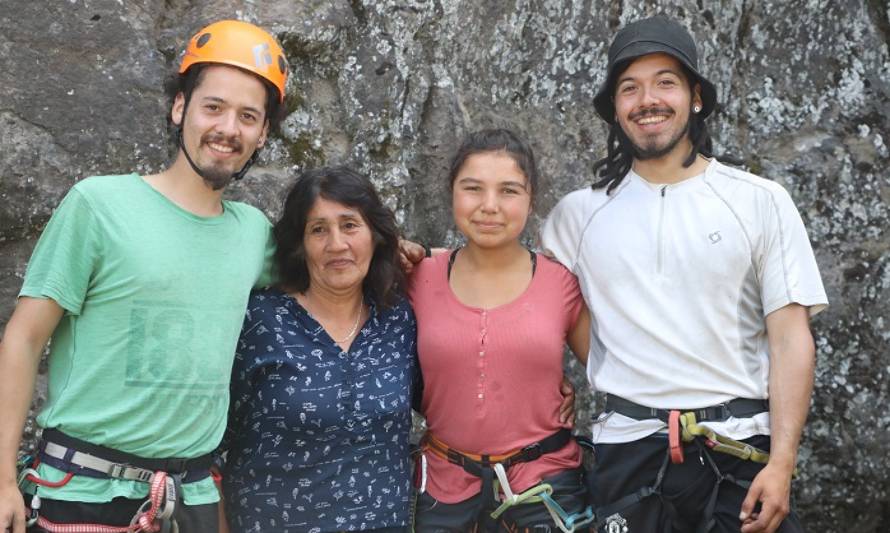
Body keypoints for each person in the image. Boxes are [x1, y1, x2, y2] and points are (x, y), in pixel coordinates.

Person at [540, 15, 828, 533]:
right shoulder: (575, 217)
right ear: (615, 110)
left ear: (696, 96)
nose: (648, 99)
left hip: (741, 450)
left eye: (665, 82)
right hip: (627, 455)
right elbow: (534, 307)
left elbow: (790, 339)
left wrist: (782, 463)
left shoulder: (760, 201)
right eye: (630, 88)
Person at [0, 19, 289, 532]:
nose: (228, 129)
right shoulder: (99, 205)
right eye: (214, 107)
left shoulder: (254, 235)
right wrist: (1, 478)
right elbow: (24, 337)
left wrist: (404, 248)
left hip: (191, 496)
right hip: (82, 492)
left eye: (249, 116)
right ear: (180, 108)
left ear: (263, 133)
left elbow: (335, 259)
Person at [408, 129, 592, 532]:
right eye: (473, 188)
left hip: (544, 485)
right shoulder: (418, 277)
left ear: (531, 199)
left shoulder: (561, 282)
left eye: (508, 191)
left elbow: (613, 369)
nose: (489, 206)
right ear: (452, 192)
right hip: (442, 487)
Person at [219, 167, 417, 533]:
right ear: (299, 244)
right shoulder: (261, 321)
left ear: (375, 235)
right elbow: (210, 443)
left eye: (350, 225)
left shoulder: (398, 317)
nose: (337, 244)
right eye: (319, 229)